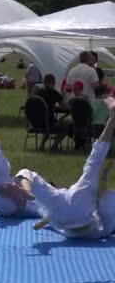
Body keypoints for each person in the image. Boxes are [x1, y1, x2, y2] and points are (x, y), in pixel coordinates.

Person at [12, 97, 115, 239]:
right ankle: (113, 118)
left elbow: (25, 176)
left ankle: (27, 189)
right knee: (95, 162)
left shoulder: (49, 203)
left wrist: (27, 192)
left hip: (74, 224)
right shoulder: (58, 198)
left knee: (95, 163)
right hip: (87, 222)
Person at [33, 74, 70, 151]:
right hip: (48, 123)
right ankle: (54, 145)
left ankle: (42, 145)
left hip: (35, 123)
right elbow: (66, 106)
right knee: (66, 125)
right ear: (52, 83)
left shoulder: (37, 93)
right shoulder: (54, 93)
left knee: (48, 122)